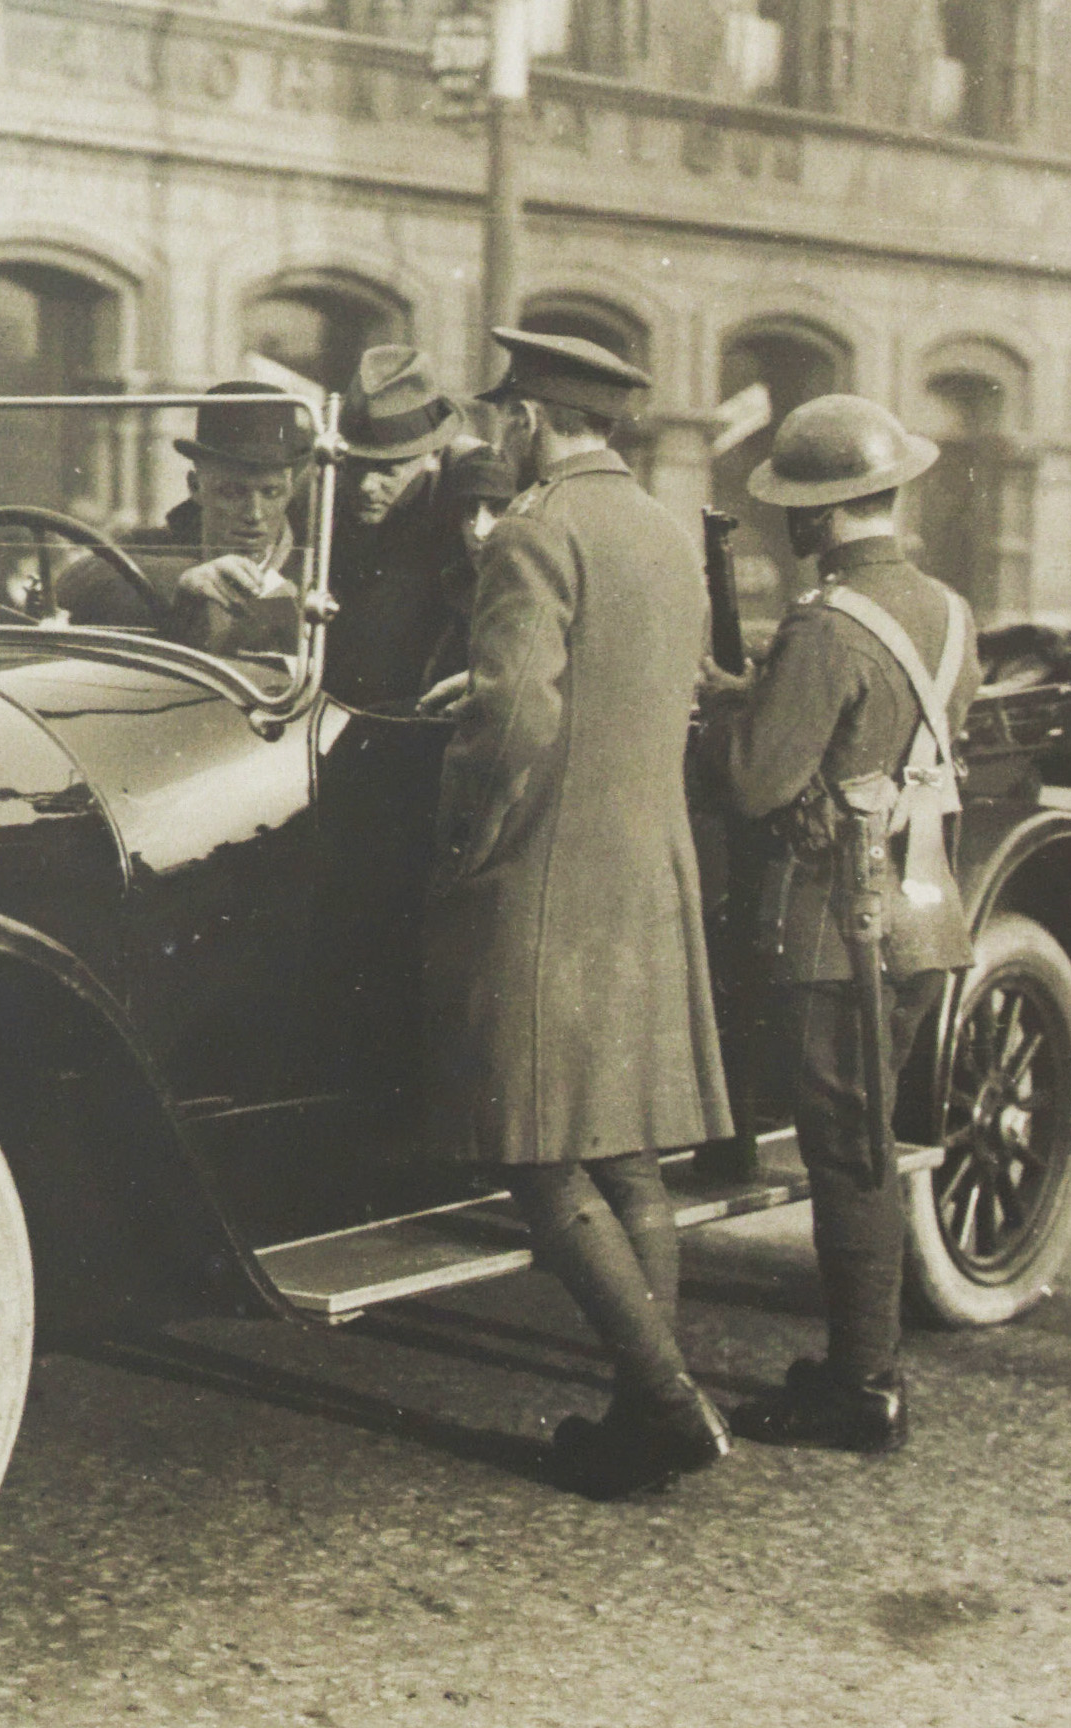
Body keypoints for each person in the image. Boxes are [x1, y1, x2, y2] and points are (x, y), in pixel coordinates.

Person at [420, 329, 735, 1496]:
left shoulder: (533, 534)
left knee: (540, 1156)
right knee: (627, 1155)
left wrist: (464, 841)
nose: (502, 435)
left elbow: (513, 729)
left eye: (508, 418)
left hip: (543, 882)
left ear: (535, 421)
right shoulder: (661, 530)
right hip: (641, 873)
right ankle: (642, 1401)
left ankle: (665, 1407)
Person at [697, 394, 982, 1454]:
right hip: (920, 914)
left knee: (844, 1155)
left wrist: (727, 712)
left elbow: (755, 782)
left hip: (832, 929)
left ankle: (862, 1388)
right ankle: (858, 1364)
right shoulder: (947, 608)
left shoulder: (823, 625)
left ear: (814, 520)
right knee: (864, 1140)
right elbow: (887, 733)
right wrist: (762, 688)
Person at [57, 381, 310, 658]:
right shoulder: (157, 545)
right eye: (232, 492)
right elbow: (73, 583)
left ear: (290, 490)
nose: (254, 514)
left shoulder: (316, 567)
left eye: (271, 493)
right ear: (195, 487)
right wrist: (183, 577)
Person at [320, 345, 473, 709]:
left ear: (433, 457)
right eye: (354, 465)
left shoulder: (461, 523)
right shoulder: (324, 511)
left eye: (388, 471)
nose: (366, 486)